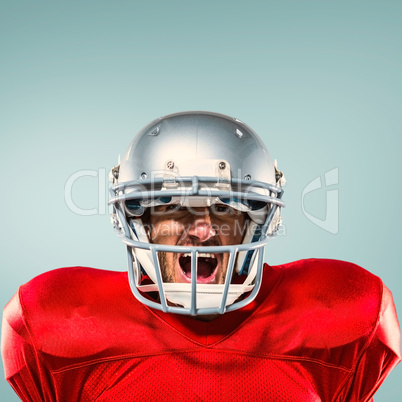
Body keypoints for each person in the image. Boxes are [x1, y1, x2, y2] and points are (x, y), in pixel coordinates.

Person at [1, 111, 400, 401]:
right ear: (140, 222)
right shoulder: (59, 320)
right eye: (176, 208)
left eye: (225, 209)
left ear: (257, 222)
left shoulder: (343, 312)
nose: (204, 230)